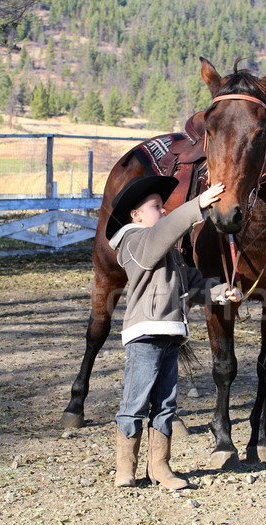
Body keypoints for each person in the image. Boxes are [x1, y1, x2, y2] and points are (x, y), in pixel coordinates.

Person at [106, 175, 242, 490]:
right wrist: (197, 206)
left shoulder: (169, 252)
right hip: (144, 337)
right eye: (157, 207)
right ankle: (125, 468)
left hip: (170, 335)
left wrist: (223, 291)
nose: (165, 212)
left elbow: (192, 283)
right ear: (136, 216)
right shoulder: (134, 243)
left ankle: (160, 467)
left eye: (165, 208)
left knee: (166, 405)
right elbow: (161, 237)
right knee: (135, 403)